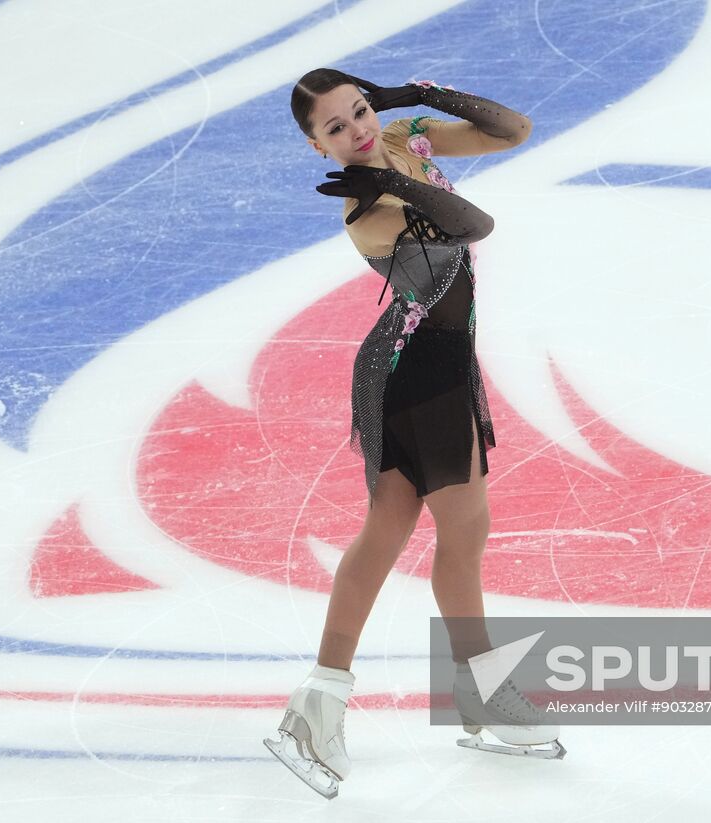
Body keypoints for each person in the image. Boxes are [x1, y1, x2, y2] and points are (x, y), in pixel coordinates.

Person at [262, 68, 565, 799]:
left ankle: (318, 705)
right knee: (462, 532)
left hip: (431, 362)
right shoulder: (362, 210)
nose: (357, 130)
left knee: (392, 533)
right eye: (335, 128)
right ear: (315, 145)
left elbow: (511, 129)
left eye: (360, 110)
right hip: (415, 375)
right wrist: (391, 178)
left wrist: (418, 98)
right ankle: (472, 690)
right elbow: (472, 227)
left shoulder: (404, 138)